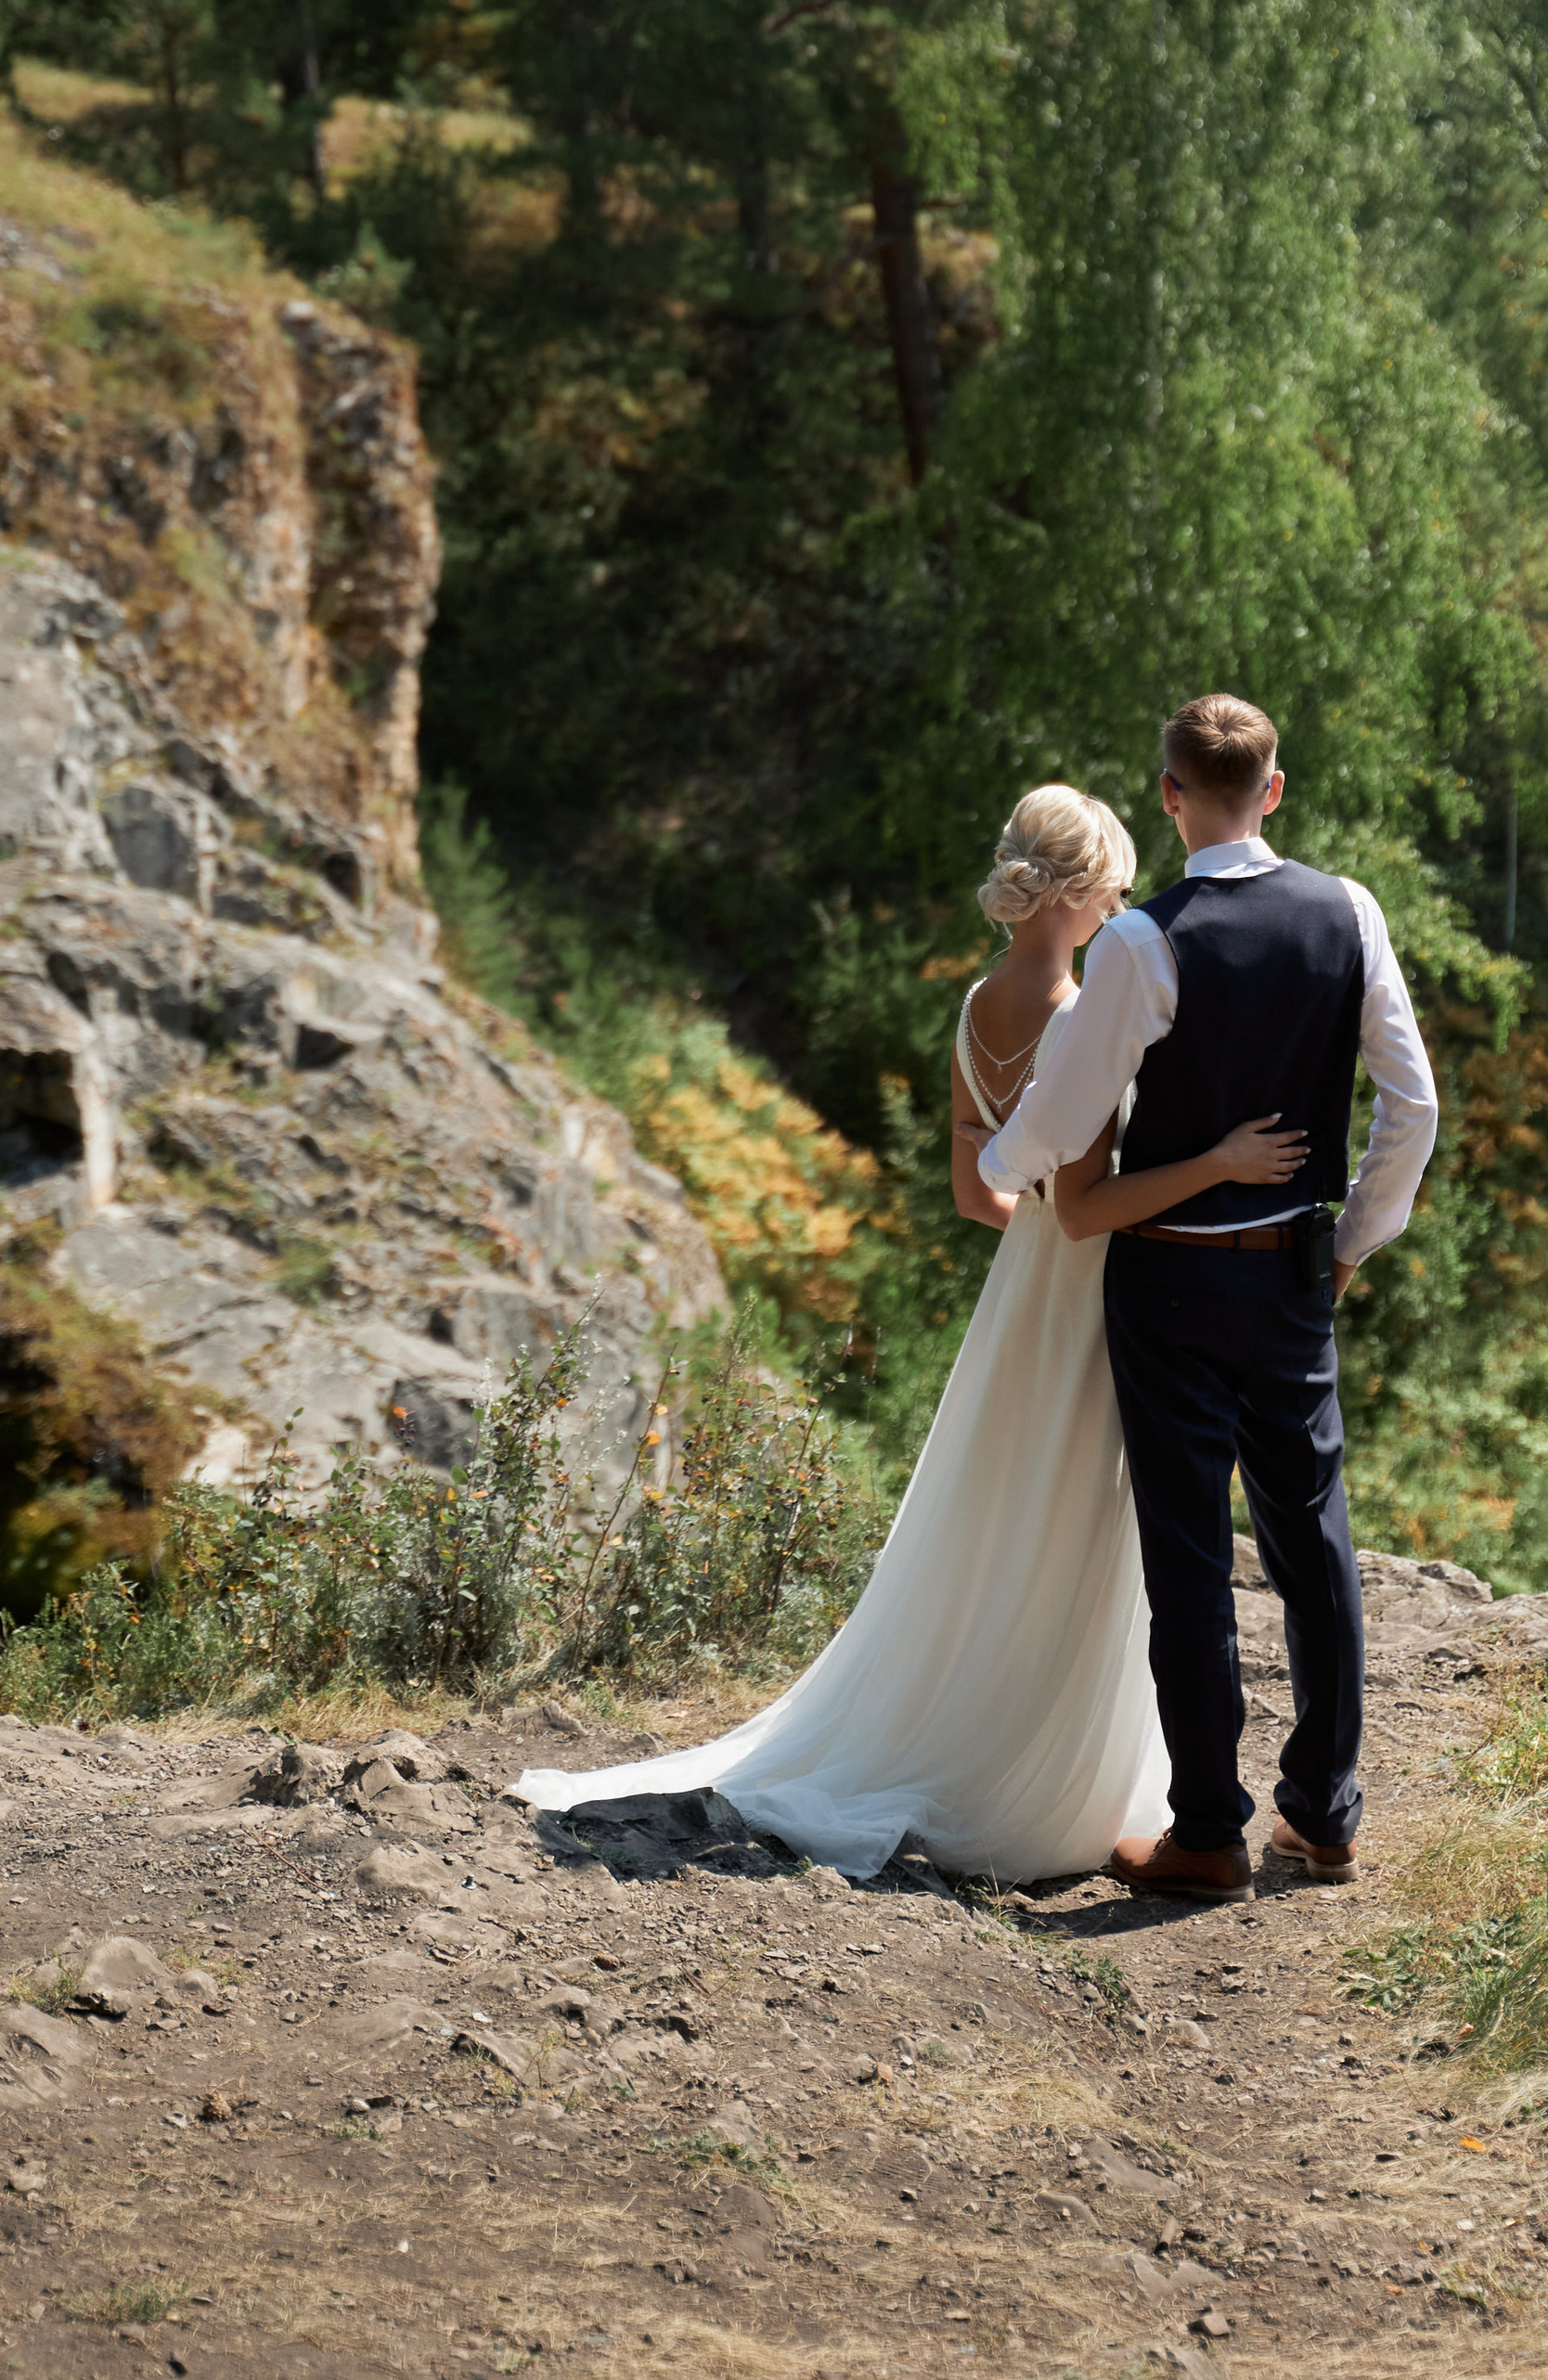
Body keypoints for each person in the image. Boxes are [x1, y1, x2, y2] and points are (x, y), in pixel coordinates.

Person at [510, 782, 1304, 1880]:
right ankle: (1043, 1768)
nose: (1126, 913)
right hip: (1091, 1290)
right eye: (1116, 892)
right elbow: (1084, 1205)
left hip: (1021, 1289)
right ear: (1074, 898)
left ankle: (990, 1721)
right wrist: (1213, 1170)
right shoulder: (1083, 1019)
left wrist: (1041, 1204)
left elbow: (983, 1194)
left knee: (1007, 1514)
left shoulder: (980, 1007)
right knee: (1077, 1523)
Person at [976, 693, 1438, 1906]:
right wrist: (1351, 1243)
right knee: (1312, 1535)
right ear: (1273, 789)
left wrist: (992, 1163)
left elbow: (1062, 1123)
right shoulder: (1352, 911)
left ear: (1172, 795)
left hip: (1173, 1279)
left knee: (1188, 1555)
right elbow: (1416, 1104)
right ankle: (1325, 1817)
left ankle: (1206, 1834)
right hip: (1293, 1271)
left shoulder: (1141, 942)